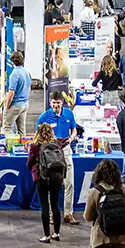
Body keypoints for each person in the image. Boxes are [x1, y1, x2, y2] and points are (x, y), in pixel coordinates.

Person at [37, 91, 80, 225]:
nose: (56, 105)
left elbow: (74, 129)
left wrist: (72, 137)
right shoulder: (44, 117)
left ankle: (68, 213)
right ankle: (51, 214)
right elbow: (38, 134)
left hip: (66, 149)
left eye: (58, 103)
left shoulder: (69, 114)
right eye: (53, 103)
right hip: (50, 152)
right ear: (50, 103)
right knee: (52, 184)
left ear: (62, 102)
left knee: (70, 183)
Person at [26, 123, 65, 243]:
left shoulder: (35, 146)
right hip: (57, 178)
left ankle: (47, 236)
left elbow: (29, 163)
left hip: (41, 177)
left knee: (44, 206)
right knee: (55, 205)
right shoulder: (57, 144)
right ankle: (57, 233)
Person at [2, 51, 32, 136]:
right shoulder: (26, 72)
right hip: (25, 104)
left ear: (12, 62)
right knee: (22, 130)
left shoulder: (14, 74)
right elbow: (29, 89)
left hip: (16, 104)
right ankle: (23, 148)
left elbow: (11, 92)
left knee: (7, 127)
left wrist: (7, 107)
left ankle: (11, 147)